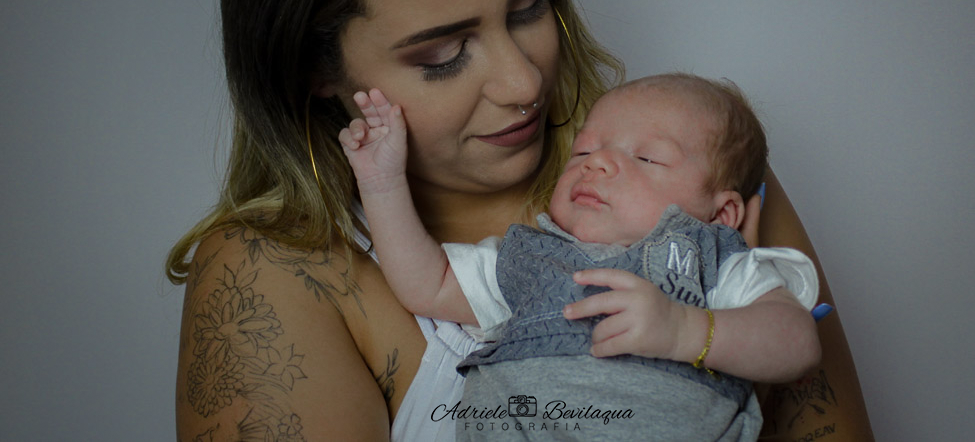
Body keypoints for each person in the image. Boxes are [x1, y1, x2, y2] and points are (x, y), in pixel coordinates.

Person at [166, 0, 874, 442]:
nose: (524, 80)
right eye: (443, 54)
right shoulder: (268, 275)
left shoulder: (692, 162)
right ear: (313, 69)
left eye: (529, 5)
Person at [341, 73, 821, 440]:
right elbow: (428, 285)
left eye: (646, 158)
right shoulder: (531, 257)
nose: (597, 162)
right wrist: (382, 184)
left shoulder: (710, 259)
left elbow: (798, 342)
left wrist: (685, 330)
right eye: (583, 151)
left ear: (722, 214)